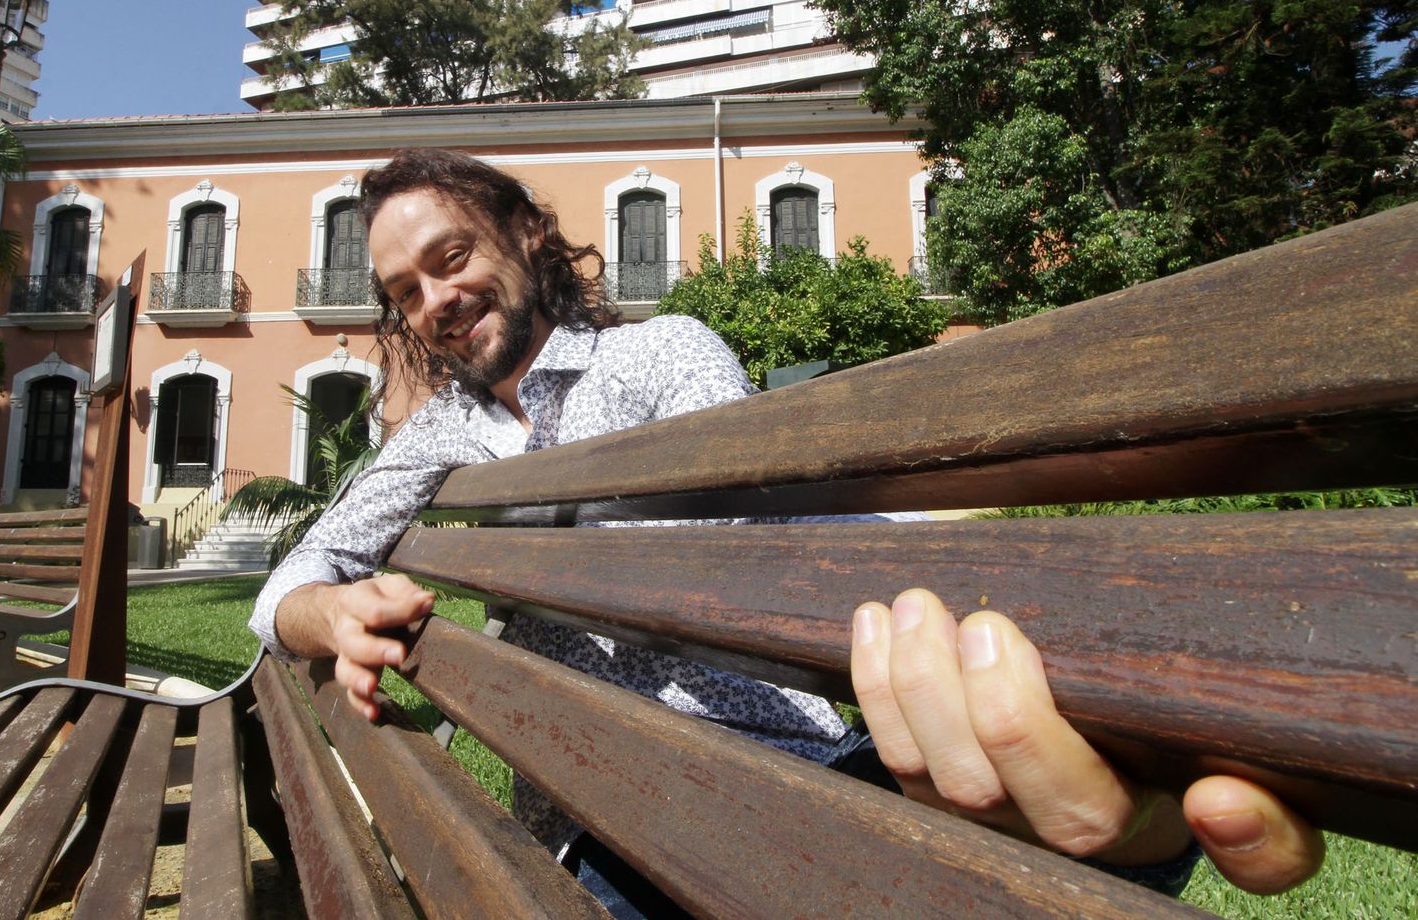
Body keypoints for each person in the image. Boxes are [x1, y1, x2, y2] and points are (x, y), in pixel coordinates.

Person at [250, 148, 1321, 909]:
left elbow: (751, 543)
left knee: (1043, 843)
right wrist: (332, 607)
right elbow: (284, 583)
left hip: (790, 755)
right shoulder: (435, 434)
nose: (434, 299)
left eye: (451, 258)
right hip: (603, 817)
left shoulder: (658, 352)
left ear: (526, 235)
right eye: (405, 290)